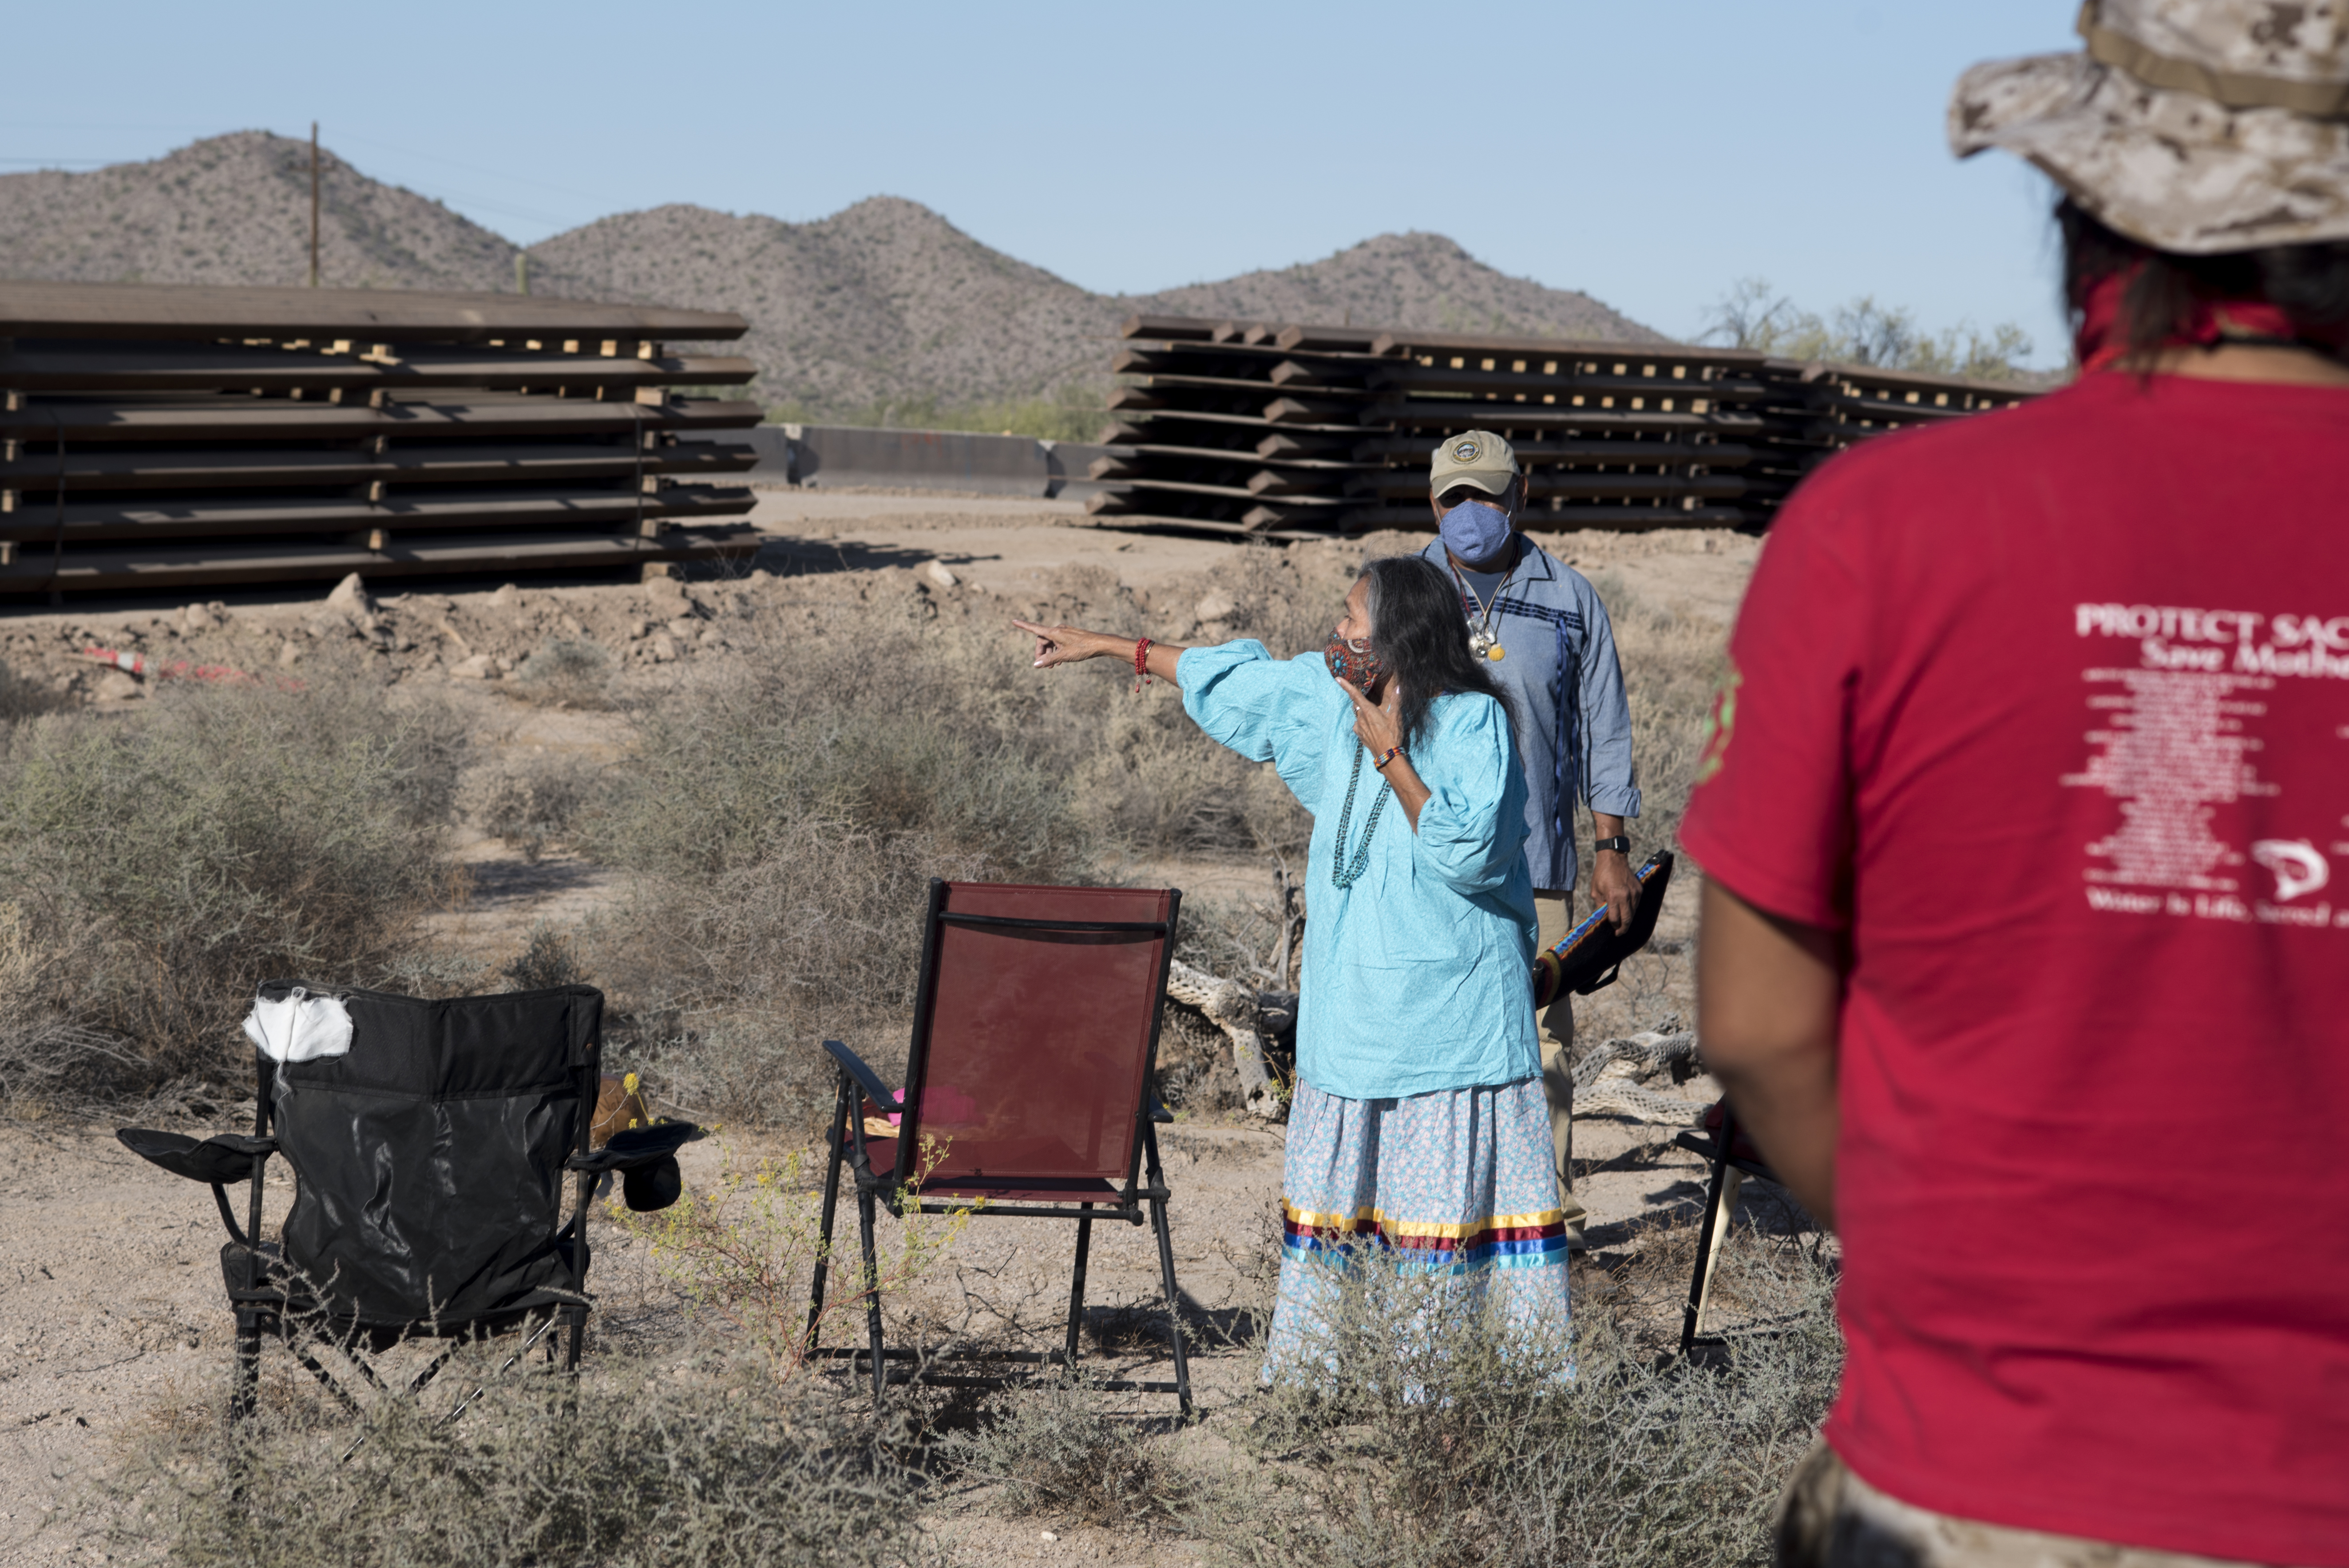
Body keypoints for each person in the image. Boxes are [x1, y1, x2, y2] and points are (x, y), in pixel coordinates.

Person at [1684, 4, 2349, 1564]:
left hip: (1990, 1473)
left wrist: (1959, 1254)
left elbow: (1756, 1023)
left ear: (2093, 221)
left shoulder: (1888, 532)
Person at [1012, 556, 1570, 1369]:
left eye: (1353, 622)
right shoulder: (1328, 696)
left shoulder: (1473, 723)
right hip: (1354, 1020)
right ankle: (1332, 1376)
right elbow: (1243, 684)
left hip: (1451, 1029)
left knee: (1441, 1225)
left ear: (1401, 639)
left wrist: (1391, 758)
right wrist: (1110, 648)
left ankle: (1452, 1392)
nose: (1337, 634)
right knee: (1350, 1216)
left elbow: (1471, 853)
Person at [1418, 431, 1641, 1250]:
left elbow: (1605, 729)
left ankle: (1550, 1219)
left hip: (1537, 864)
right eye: (1455, 498)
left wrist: (1610, 845)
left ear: (1521, 492)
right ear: (1430, 502)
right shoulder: (1406, 591)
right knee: (1434, 1028)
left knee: (1543, 1036)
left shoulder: (1571, 597)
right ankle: (1439, 1211)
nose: (1471, 512)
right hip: (1428, 862)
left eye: (1487, 494)